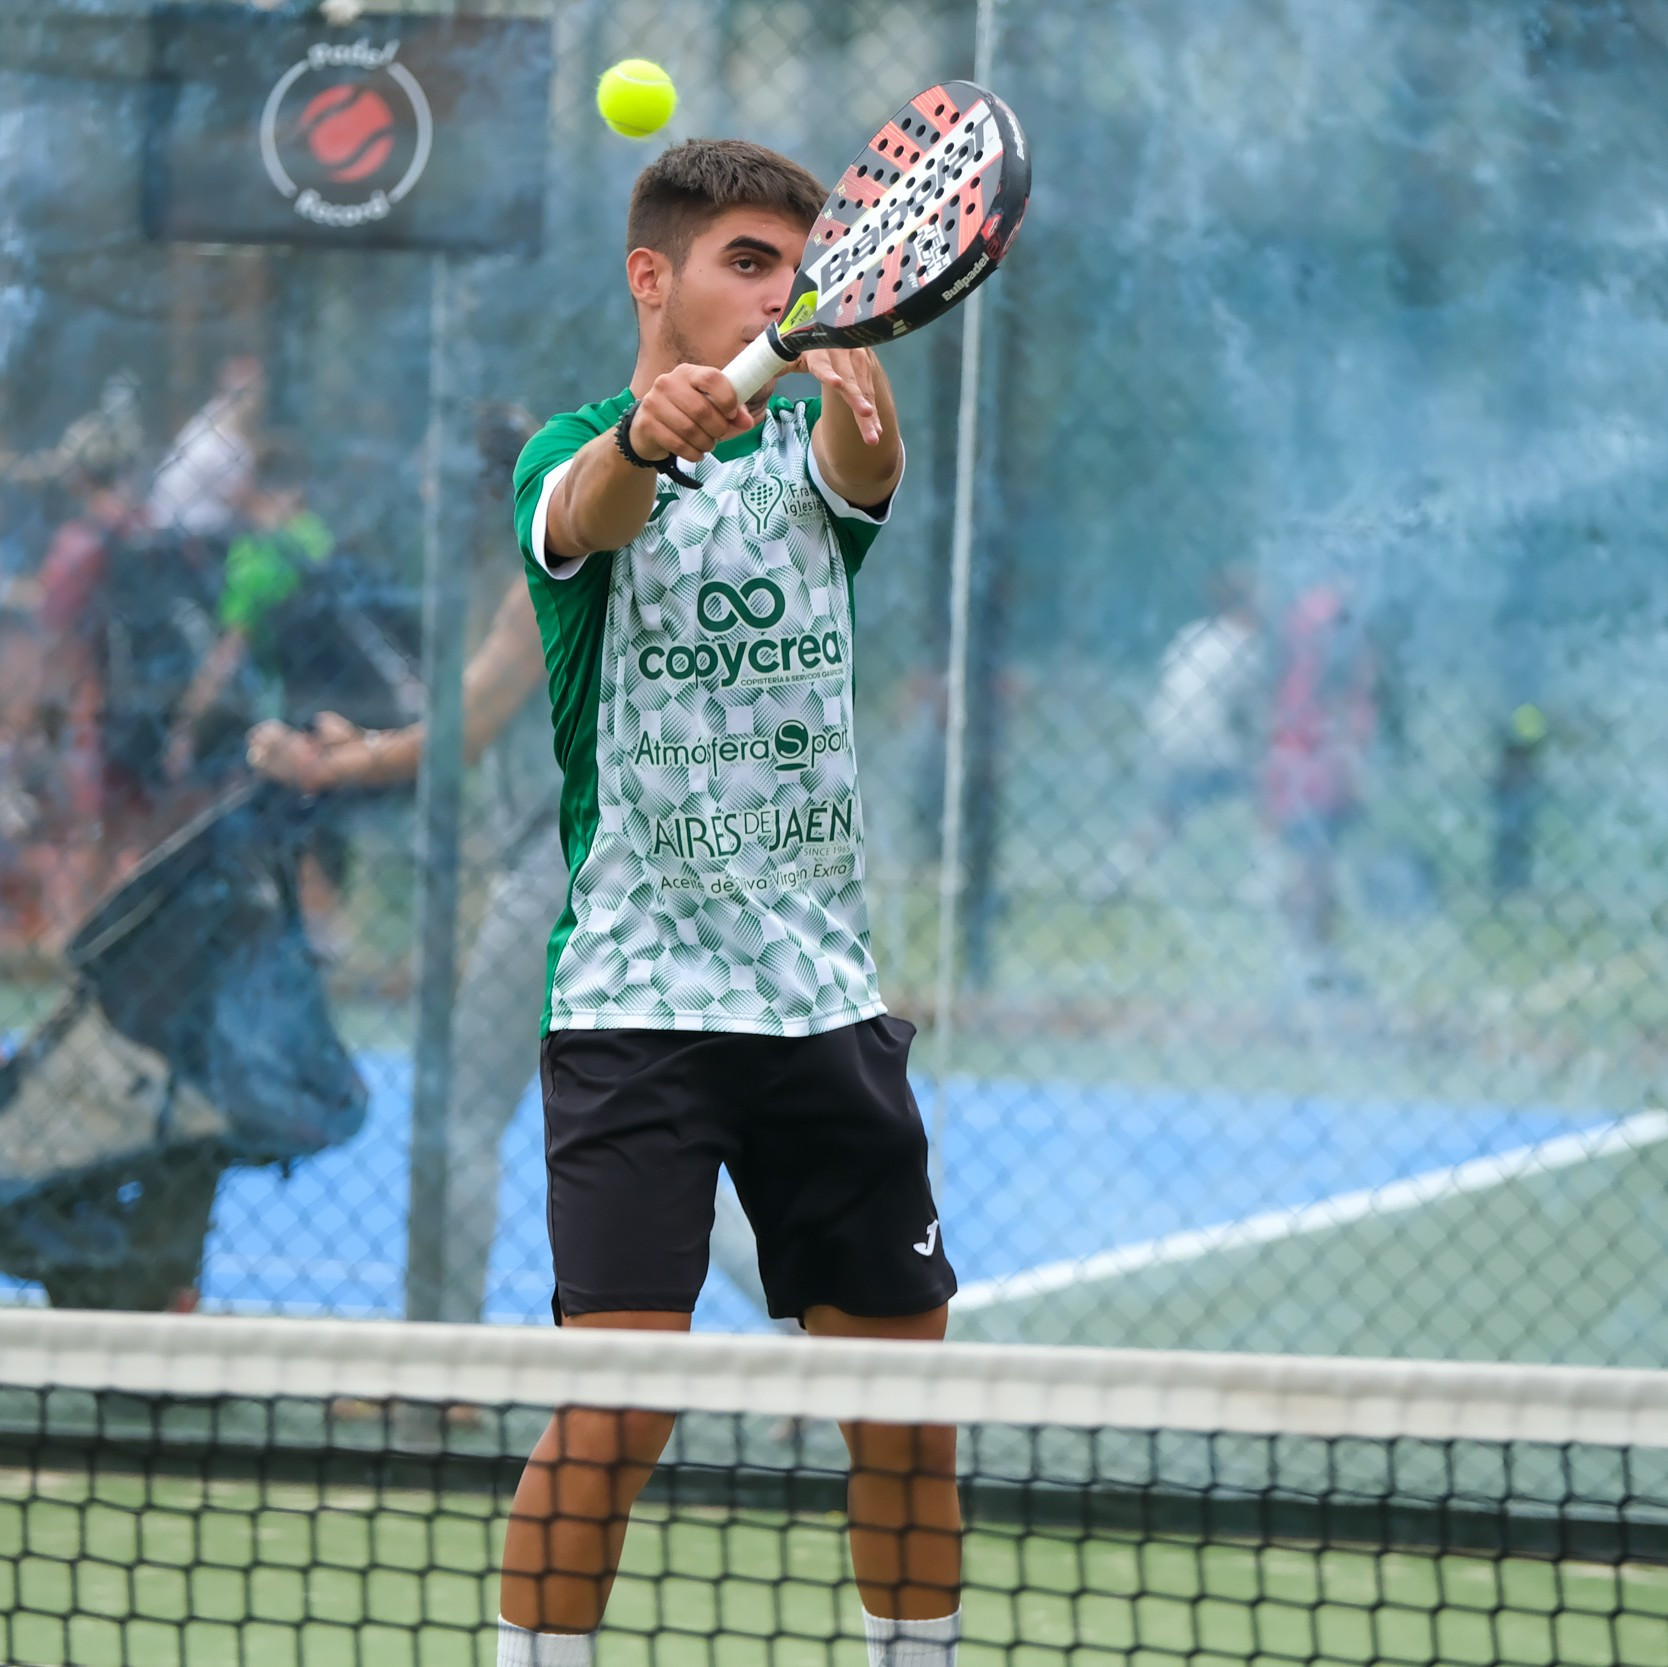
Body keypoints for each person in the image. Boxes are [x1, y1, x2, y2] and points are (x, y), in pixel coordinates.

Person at [498, 140, 960, 1666]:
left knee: (906, 1418)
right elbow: (589, 509)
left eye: (798, 269)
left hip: (823, 1004)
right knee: (617, 1409)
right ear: (655, 277)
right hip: (635, 1006)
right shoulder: (569, 451)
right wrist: (646, 434)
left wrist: (856, 412)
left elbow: (863, 471)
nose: (780, 293)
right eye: (748, 263)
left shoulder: (815, 450)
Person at [247, 403, 782, 1329]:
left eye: (439, 482)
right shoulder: (601, 553)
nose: (424, 497)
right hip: (651, 869)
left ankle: (445, 1358)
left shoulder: (547, 565)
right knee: (669, 1124)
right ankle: (812, 1330)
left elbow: (465, 729)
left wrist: (335, 762)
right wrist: (362, 741)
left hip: (568, 875)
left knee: (462, 1111)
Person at [1262, 578, 1377, 991]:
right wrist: (1350, 762)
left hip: (1301, 758)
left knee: (1313, 863)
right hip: (1314, 764)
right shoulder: (1331, 621)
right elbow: (1339, 702)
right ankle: (1307, 957)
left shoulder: (1307, 617)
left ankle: (1311, 955)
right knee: (1313, 866)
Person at [147, 355, 264, 541]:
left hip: (195, 527)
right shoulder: (217, 432)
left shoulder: (220, 420)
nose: (257, 400)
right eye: (249, 391)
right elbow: (240, 497)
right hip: (186, 532)